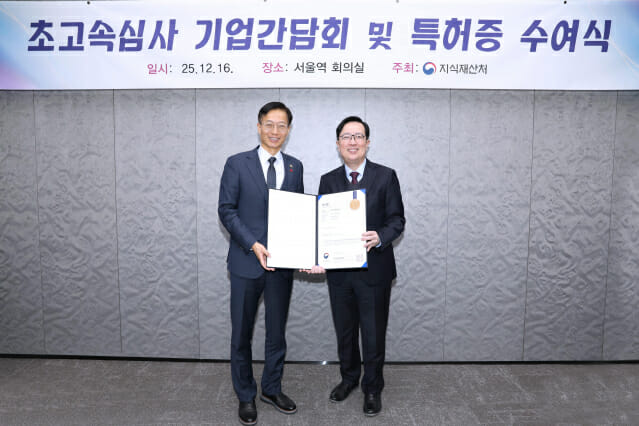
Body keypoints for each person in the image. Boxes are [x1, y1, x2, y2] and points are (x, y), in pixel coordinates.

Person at [311, 115, 405, 417]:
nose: (352, 142)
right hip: (339, 273)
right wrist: (317, 257)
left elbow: (397, 220)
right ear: (338, 144)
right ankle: (349, 378)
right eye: (346, 137)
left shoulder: (386, 176)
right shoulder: (328, 180)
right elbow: (322, 225)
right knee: (346, 331)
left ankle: (373, 387)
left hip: (374, 271)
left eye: (358, 136)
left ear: (367, 142)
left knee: (373, 333)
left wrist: (381, 236)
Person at [218, 101, 303, 426]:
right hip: (246, 261)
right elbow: (226, 210)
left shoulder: (295, 167)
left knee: (276, 332)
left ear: (288, 130)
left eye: (282, 125)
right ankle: (245, 394)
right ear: (259, 126)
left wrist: (304, 252)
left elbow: (298, 214)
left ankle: (271, 388)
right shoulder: (237, 163)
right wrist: (253, 244)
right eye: (269, 124)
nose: (275, 131)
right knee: (242, 333)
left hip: (282, 265)